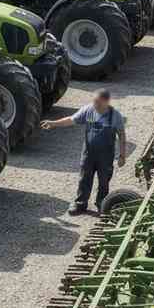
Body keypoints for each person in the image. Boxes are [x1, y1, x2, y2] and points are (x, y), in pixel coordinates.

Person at [41, 88, 127, 216]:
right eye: (94, 102)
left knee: (104, 181)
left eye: (98, 102)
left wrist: (122, 155)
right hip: (88, 154)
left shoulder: (115, 116)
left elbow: (121, 135)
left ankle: (102, 205)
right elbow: (71, 120)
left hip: (106, 156)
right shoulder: (88, 110)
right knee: (84, 179)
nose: (95, 105)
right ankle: (80, 203)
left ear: (106, 102)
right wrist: (53, 123)